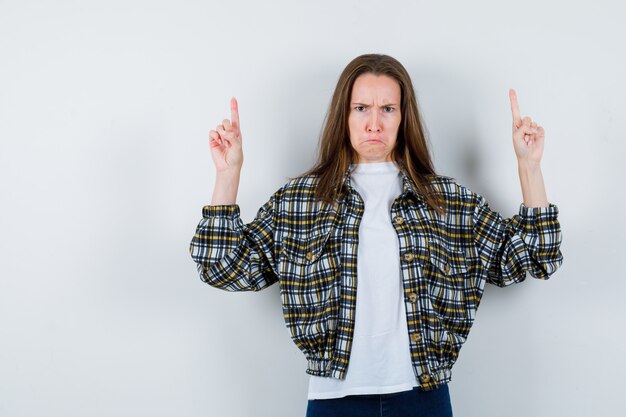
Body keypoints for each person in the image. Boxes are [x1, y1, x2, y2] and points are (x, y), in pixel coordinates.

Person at [189, 53, 563, 417]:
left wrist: (528, 167)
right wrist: (228, 174)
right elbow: (223, 266)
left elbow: (532, 256)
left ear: (403, 117)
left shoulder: (445, 200)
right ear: (344, 115)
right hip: (335, 399)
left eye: (387, 109)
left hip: (423, 398)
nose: (374, 123)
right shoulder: (300, 201)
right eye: (361, 108)